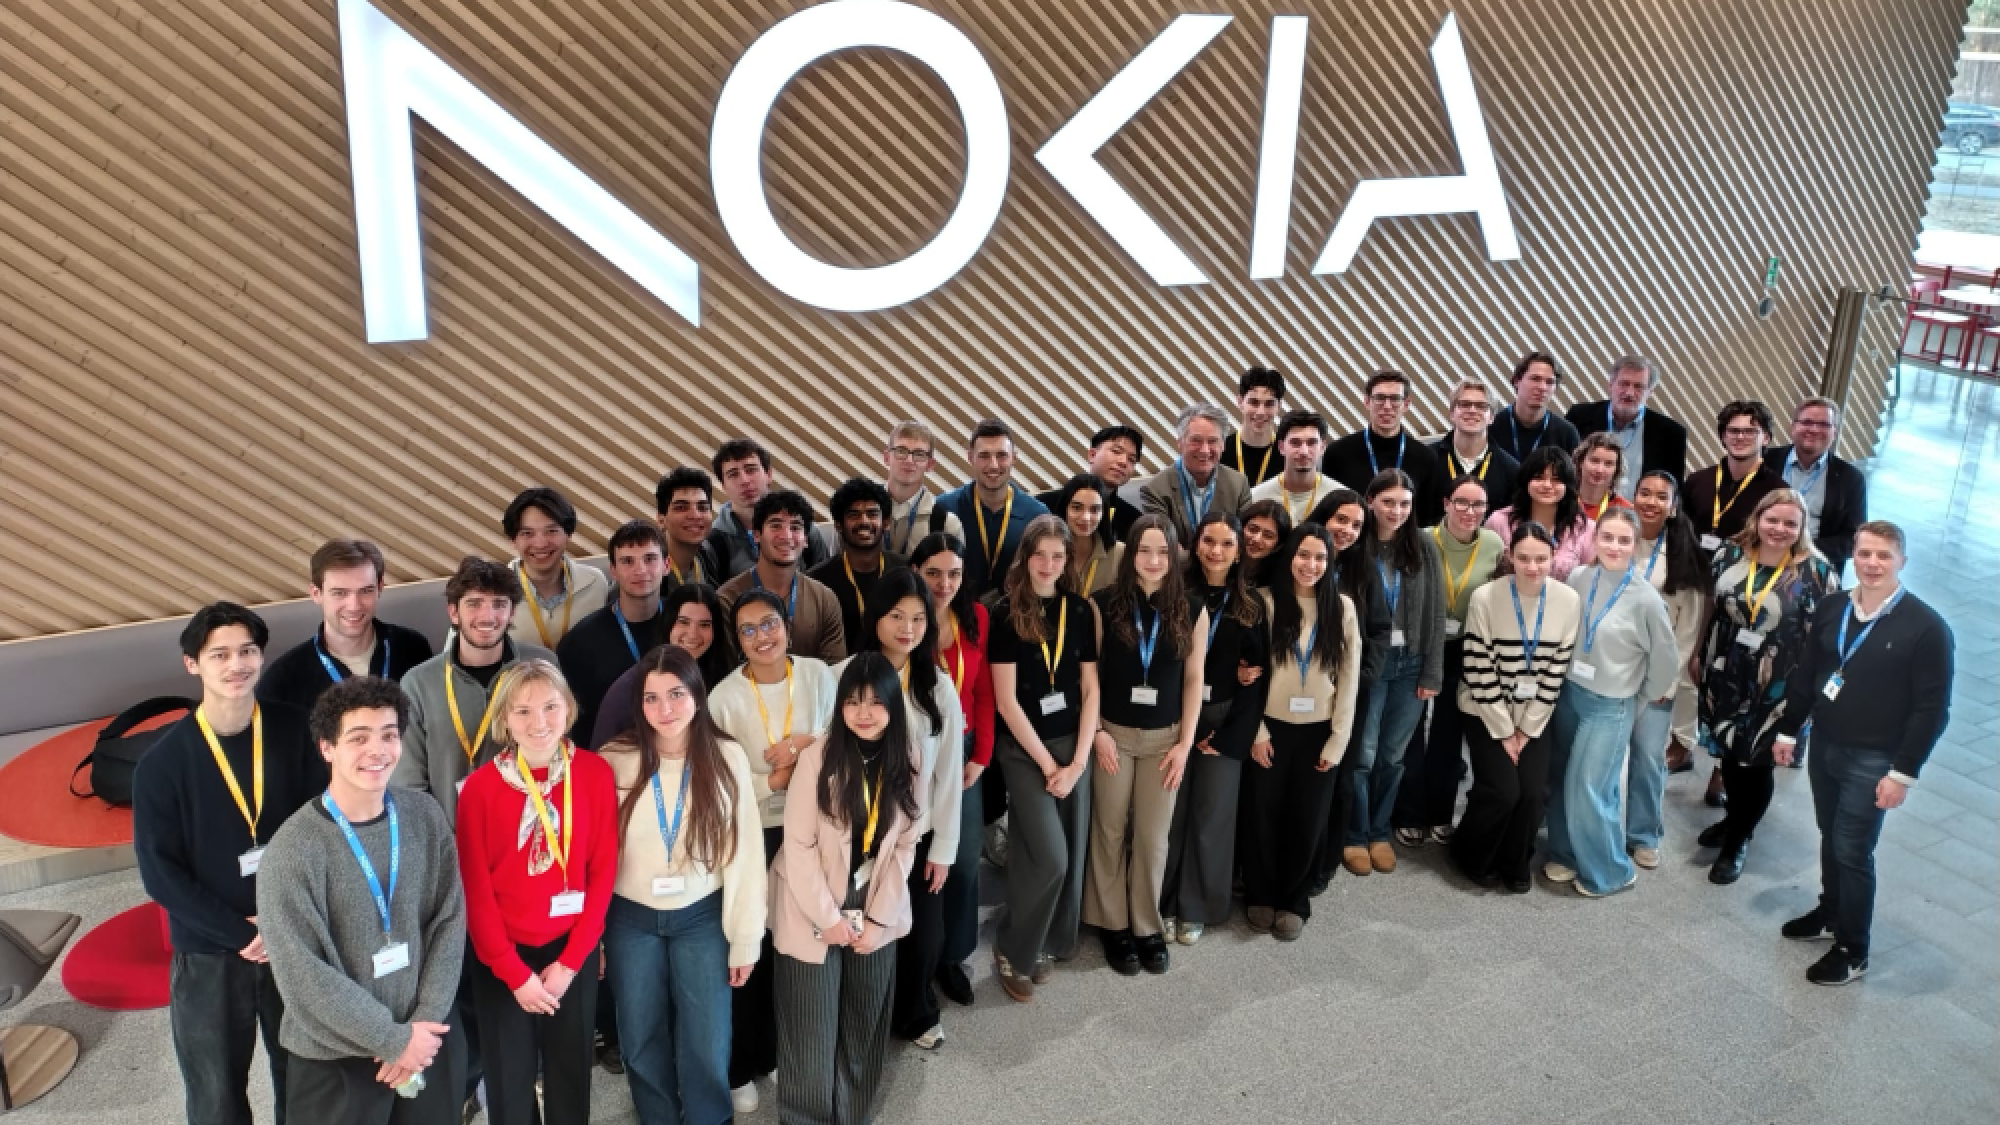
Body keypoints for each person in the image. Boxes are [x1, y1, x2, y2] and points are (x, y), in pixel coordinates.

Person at [135, 602, 327, 1125]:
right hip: (210, 948)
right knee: (215, 1089)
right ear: (192, 664)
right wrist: (239, 932)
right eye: (219, 654)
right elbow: (161, 873)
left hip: (294, 934)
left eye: (246, 651)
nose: (235, 664)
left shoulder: (294, 730)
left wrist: (284, 921)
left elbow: (321, 830)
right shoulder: (162, 763)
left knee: (307, 1073)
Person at [257, 676, 466, 1125]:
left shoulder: (424, 816)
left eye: (389, 735)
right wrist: (392, 1040)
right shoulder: (293, 849)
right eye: (359, 738)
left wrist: (421, 1028)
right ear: (327, 748)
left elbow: (449, 920)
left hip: (427, 1035)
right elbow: (302, 974)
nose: (379, 750)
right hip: (336, 1060)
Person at [1773, 522, 1954, 985]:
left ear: (1902, 561)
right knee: (1830, 834)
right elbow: (1810, 672)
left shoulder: (1927, 628)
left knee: (1852, 849)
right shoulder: (1834, 607)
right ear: (1853, 555)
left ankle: (1854, 949)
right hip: (1827, 746)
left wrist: (1903, 773)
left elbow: (1932, 710)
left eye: (1884, 556)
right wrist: (1790, 730)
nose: (1872, 564)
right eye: (1865, 553)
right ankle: (1830, 912)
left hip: (1875, 759)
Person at [597, 645, 767, 1123]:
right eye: (651, 699)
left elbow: (745, 854)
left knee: (707, 1037)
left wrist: (746, 939)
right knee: (640, 1034)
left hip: (702, 918)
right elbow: (595, 857)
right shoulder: (614, 759)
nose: (664, 710)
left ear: (697, 693)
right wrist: (594, 938)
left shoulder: (726, 757)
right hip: (630, 920)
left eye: (675, 694)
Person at [455, 661, 617, 1125]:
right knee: (509, 1076)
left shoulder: (594, 773)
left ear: (569, 708)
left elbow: (602, 874)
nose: (539, 722)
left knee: (570, 1073)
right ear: (504, 720)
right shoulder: (480, 788)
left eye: (550, 706)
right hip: (502, 957)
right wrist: (514, 974)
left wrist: (571, 963)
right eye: (523, 711)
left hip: (571, 953)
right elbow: (476, 890)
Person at [769, 654, 925, 1125]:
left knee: (864, 1019)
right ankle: (805, 1118)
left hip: (876, 898)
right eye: (854, 702)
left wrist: (879, 921)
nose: (864, 713)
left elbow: (906, 843)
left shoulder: (910, 755)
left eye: (877, 702)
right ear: (840, 706)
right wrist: (829, 919)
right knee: (810, 1027)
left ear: (893, 708)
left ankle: (852, 1114)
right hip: (810, 901)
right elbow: (797, 846)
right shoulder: (818, 757)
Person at [707, 590, 838, 1114]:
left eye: (770, 624)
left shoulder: (816, 675)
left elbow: (837, 735)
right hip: (754, 829)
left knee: (797, 943)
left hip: (812, 824)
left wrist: (804, 743)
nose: (762, 637)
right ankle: (743, 1061)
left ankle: (784, 1047)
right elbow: (718, 776)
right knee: (752, 945)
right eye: (748, 630)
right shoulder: (722, 698)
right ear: (737, 640)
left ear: (786, 624)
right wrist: (774, 781)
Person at [841, 570, 966, 1049]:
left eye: (918, 618)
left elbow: (950, 774)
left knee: (922, 936)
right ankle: (864, 1019)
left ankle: (914, 1013)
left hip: (919, 835)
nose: (908, 628)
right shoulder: (844, 676)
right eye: (896, 616)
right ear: (876, 619)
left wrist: (946, 848)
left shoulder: (937, 687)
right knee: (864, 932)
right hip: (861, 835)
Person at [1695, 489, 1838, 885]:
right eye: (1772, 519)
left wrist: (1809, 695)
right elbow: (1712, 608)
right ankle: (1733, 819)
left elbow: (1825, 640)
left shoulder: (1818, 572)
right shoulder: (1729, 553)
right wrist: (1697, 655)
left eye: (1790, 523)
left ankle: (1738, 840)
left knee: (1755, 762)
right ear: (1757, 518)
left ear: (1802, 527)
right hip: (1725, 669)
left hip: (1778, 683)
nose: (1779, 529)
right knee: (1728, 751)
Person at [1084, 515, 1206, 974]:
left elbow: (1194, 680)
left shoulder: (1192, 609)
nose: (1153, 561)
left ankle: (1146, 925)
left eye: (1162, 551)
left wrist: (1184, 742)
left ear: (1174, 555)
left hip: (1165, 741)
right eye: (1144, 550)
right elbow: (1090, 677)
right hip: (1113, 735)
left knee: (1154, 837)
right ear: (1130, 553)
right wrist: (1096, 733)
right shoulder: (1103, 604)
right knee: (1110, 830)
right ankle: (1112, 923)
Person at [987, 515, 1100, 1000]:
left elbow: (1091, 687)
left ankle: (1049, 942)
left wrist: (1076, 761)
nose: (1049, 565)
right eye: (1041, 555)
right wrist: (1049, 765)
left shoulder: (1079, 610)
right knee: (1048, 855)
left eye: (1059, 556)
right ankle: (1013, 945)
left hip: (1073, 745)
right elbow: (1007, 702)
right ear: (1026, 558)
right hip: (1024, 749)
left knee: (1066, 853)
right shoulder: (1005, 612)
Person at [1541, 509, 1680, 897]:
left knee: (1590, 786)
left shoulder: (1647, 599)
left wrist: (1639, 695)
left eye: (1624, 540)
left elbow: (1666, 661)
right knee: (1562, 774)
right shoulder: (1580, 578)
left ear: (1635, 546)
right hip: (1570, 693)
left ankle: (1610, 871)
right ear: (1596, 539)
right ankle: (1564, 853)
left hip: (1610, 704)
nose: (1614, 547)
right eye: (1608, 538)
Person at [1240, 524, 1361, 940]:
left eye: (1320, 558)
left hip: (1319, 732)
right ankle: (1260, 892)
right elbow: (1250, 675)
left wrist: (1338, 739)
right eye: (1303, 555)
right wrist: (1255, 732)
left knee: (1307, 818)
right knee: (1262, 813)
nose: (1311, 565)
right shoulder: (1266, 603)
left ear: (1330, 563)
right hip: (1270, 729)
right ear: (1289, 556)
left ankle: (1294, 897)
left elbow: (1349, 678)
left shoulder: (1342, 608)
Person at [1451, 523, 1581, 893]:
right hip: (1484, 708)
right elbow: (1478, 667)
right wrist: (1505, 731)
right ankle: (1470, 853)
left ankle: (1514, 860)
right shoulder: (1486, 597)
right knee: (1504, 791)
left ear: (1554, 558)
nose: (1532, 567)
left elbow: (1555, 673)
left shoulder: (1568, 600)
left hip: (1533, 716)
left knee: (1532, 793)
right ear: (1510, 557)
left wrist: (1526, 729)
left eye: (1541, 559)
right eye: (1523, 558)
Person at [1161, 513, 1268, 945]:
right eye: (1209, 541)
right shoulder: (1174, 594)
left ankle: (1198, 906)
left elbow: (1257, 678)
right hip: (1171, 716)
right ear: (1195, 542)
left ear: (1239, 550)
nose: (1216, 552)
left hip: (1223, 721)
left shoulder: (1250, 605)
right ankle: (1162, 901)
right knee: (1169, 815)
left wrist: (1227, 737)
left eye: (1227, 544)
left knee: (1212, 817)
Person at [1392, 476, 1504, 847]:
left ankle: (1440, 812)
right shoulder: (1422, 539)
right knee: (1410, 730)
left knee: (1447, 731)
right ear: (1445, 503)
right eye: (1461, 502)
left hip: (1464, 647)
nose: (1469, 512)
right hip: (1421, 643)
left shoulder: (1493, 544)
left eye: (1477, 505)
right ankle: (1408, 811)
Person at [394, 558, 550, 824]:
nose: (488, 616)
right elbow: (409, 785)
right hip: (452, 841)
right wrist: (441, 843)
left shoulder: (543, 667)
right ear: (454, 613)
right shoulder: (418, 683)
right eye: (474, 604)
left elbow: (563, 754)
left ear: (512, 613)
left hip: (531, 835)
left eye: (499, 604)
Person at [1345, 470, 1447, 874]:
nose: (1397, 511)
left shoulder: (1423, 545)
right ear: (1370, 501)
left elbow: (1437, 612)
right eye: (1388, 502)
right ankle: (1354, 835)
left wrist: (1432, 674)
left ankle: (1379, 830)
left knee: (1393, 756)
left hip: (1410, 667)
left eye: (1405, 503)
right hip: (1370, 666)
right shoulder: (1357, 545)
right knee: (1364, 755)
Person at [909, 534, 996, 1006]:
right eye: (934, 573)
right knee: (918, 857)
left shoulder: (976, 617)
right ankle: (917, 954)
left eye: (954, 574)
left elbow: (983, 691)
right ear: (917, 571)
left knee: (962, 862)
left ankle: (953, 955)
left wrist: (981, 754)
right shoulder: (906, 620)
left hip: (962, 752)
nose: (944, 584)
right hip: (914, 751)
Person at [1302, 488, 1392, 889]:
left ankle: (1323, 863)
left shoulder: (1363, 568)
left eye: (1357, 524)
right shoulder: (1299, 559)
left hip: (1348, 697)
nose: (1348, 530)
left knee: (1339, 780)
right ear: (1323, 517)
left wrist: (1362, 678)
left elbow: (1380, 630)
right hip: (1298, 694)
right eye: (1341, 520)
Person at [261, 539, 433, 714]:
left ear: (380, 588)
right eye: (340, 593)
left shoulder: (413, 649)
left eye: (365, 591)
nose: (354, 606)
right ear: (316, 594)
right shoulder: (283, 679)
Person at [1630, 471, 1709, 829]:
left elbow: (1687, 631)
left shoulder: (1683, 555)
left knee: (1648, 757)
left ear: (1674, 506)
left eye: (1661, 497)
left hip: (1655, 676)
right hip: (1610, 668)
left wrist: (1669, 683)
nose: (1651, 502)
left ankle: (1644, 833)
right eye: (1644, 493)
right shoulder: (1619, 537)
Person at [557, 521, 672, 745]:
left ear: (666, 565)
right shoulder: (579, 643)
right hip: (612, 759)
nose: (640, 570)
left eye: (649, 559)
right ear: (613, 571)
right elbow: (575, 726)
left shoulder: (686, 626)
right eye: (628, 561)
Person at [588, 584, 739, 750]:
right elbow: (603, 754)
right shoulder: (631, 686)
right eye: (683, 622)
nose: (693, 634)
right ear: (668, 624)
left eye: (704, 625)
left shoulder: (724, 677)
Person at [716, 490, 847, 664]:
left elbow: (834, 672)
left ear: (806, 539)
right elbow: (729, 670)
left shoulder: (824, 599)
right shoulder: (727, 599)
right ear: (757, 535)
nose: (786, 536)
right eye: (776, 525)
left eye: (795, 527)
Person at [934, 418, 1052, 598]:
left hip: (1015, 618)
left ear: (1014, 457)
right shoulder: (944, 508)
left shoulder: (1038, 515)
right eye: (984, 456)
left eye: (1002, 455)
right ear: (970, 458)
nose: (993, 465)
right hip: (957, 617)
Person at [1322, 370, 1444, 524]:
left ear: (1406, 404)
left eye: (1395, 399)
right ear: (1367, 401)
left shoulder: (1426, 457)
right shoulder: (1337, 453)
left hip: (1404, 545)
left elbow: (1426, 519)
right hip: (1352, 543)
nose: (1387, 406)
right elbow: (1328, 513)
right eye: (1379, 398)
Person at [1765, 397, 1868, 576]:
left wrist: (1803, 550)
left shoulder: (1851, 479)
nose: (1813, 429)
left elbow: (1854, 538)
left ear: (1834, 432)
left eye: (1823, 425)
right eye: (1807, 422)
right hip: (1761, 558)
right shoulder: (1765, 462)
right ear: (1793, 426)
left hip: (1814, 568)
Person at [710, 439, 837, 581]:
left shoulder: (802, 527)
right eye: (733, 474)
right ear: (723, 485)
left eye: (751, 470)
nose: (744, 480)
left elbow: (825, 585)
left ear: (768, 474)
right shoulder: (714, 541)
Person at [503, 489, 611, 650]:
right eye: (527, 533)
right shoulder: (493, 590)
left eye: (551, 531)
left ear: (568, 535)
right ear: (513, 540)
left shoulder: (595, 583)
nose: (540, 544)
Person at [807, 478, 907, 647]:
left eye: (872, 514)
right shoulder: (817, 581)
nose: (864, 521)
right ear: (839, 525)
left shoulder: (906, 571)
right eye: (854, 514)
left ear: (886, 523)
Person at [1565, 355, 1689, 491]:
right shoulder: (1579, 417)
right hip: (1583, 509)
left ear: (1650, 392)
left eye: (1638, 387)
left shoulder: (1671, 434)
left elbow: (1674, 490)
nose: (1629, 393)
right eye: (1624, 384)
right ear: (1611, 384)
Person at [1141, 403, 1251, 546]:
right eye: (1196, 440)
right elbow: (1164, 549)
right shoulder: (1155, 490)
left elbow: (1243, 543)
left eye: (1212, 441)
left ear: (1223, 445)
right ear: (1180, 443)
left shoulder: (1238, 484)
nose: (1205, 450)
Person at [1682, 399, 1786, 551]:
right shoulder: (1697, 481)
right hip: (1694, 570)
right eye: (1734, 431)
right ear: (1723, 436)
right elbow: (1680, 531)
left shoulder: (1777, 491)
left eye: (1750, 431)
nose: (1740, 437)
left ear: (1766, 438)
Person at [1486, 447, 1595, 580]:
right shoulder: (1498, 521)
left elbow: (1589, 581)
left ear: (1568, 485)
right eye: (1539, 478)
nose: (1547, 485)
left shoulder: (1586, 529)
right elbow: (1487, 573)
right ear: (1526, 481)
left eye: (1556, 479)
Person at [1036, 425, 1145, 545]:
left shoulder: (1134, 521)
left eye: (1131, 459)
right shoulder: (1043, 507)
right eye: (1116, 452)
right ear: (1092, 455)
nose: (1123, 462)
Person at [879, 421, 965, 558]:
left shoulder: (947, 525)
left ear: (930, 464)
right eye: (901, 451)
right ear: (886, 457)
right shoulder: (860, 512)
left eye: (919, 454)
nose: (909, 460)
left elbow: (954, 576)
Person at [1434, 377, 1519, 514]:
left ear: (1491, 417)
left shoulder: (1511, 470)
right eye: (1465, 404)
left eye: (1481, 406)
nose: (1472, 410)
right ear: (1452, 414)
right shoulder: (1427, 459)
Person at [1249, 409, 1338, 524]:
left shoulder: (1339, 498)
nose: (1304, 452)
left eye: (1311, 443)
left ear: (1322, 447)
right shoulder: (1256, 497)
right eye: (1295, 443)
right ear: (1281, 447)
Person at [1489, 351, 1580, 463]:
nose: (1542, 387)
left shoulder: (1566, 434)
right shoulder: (1491, 427)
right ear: (1517, 381)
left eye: (1550, 382)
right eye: (1535, 379)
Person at [654, 468, 729, 595]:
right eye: (681, 507)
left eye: (702, 507)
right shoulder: (646, 569)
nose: (695, 515)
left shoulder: (709, 557)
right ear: (661, 520)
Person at [1050, 472, 1122, 595]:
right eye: (1077, 507)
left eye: (1094, 509)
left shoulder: (1120, 554)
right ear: (1065, 508)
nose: (1086, 518)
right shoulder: (1046, 549)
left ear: (1103, 513)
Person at [1222, 366, 1287, 487]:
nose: (1261, 412)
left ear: (1279, 406)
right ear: (1240, 402)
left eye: (1269, 404)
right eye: (1254, 402)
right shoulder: (1220, 451)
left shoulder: (1288, 455)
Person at [1572, 433, 1635, 523]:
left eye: (1608, 463)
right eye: (1594, 461)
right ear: (1580, 462)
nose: (1600, 470)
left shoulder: (1625, 510)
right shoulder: (1562, 501)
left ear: (1616, 470)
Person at [1238, 499, 1292, 588]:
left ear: (1278, 546)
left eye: (1268, 535)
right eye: (1252, 529)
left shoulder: (1279, 580)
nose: (1256, 539)